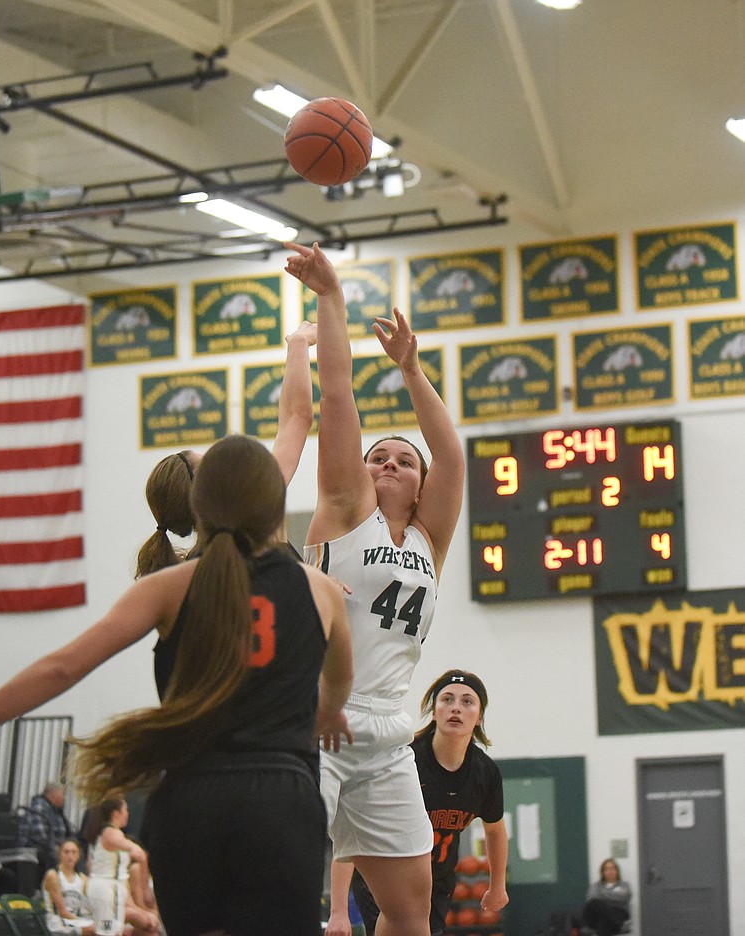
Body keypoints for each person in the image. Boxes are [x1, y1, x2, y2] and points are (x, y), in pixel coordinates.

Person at [0, 433, 354, 936]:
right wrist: (328, 713)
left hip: (191, 800)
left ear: (198, 508)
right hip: (281, 800)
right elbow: (339, 683)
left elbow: (62, 667)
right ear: (276, 508)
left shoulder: (167, 586)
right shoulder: (320, 590)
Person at [285, 242, 466, 936]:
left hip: (388, 733)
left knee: (410, 908)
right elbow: (337, 396)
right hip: (319, 721)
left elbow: (450, 453)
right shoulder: (342, 509)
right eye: (377, 457)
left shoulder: (429, 540)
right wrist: (332, 299)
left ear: (420, 486)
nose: (389, 461)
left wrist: (413, 372)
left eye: (403, 460)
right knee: (292, 892)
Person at [134, 320, 318, 578]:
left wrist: (298, 345)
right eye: (212, 461)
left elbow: (295, 418)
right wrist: (300, 344)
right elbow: (296, 418)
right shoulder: (258, 517)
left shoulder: (186, 577)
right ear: (205, 490)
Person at [351, 670, 508, 934]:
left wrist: (498, 886)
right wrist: (337, 910)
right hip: (386, 878)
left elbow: (495, 831)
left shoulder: (485, 773)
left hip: (437, 883)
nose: (456, 708)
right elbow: (355, 824)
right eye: (447, 699)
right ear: (434, 711)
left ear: (479, 717)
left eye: (467, 701)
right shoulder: (404, 759)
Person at [84, 797, 160, 936]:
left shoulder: (98, 834)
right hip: (108, 889)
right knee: (109, 933)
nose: (128, 813)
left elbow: (89, 865)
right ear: (116, 814)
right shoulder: (111, 832)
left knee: (147, 927)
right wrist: (145, 889)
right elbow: (139, 854)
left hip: (104, 888)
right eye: (126, 809)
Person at [18, 780, 77, 887]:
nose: (64, 798)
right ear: (53, 794)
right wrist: (59, 850)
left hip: (56, 848)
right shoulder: (39, 806)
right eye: (62, 794)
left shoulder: (56, 810)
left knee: (74, 854)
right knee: (62, 856)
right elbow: (40, 836)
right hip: (38, 849)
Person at [43, 838, 96, 935]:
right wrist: (85, 923)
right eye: (66, 852)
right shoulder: (53, 875)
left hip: (75, 920)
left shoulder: (82, 878)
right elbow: (62, 912)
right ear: (59, 854)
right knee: (94, 930)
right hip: (57, 921)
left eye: (74, 852)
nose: (70, 856)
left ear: (79, 855)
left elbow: (87, 907)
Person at [580, 858, 632, 936]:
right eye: (606, 869)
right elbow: (592, 898)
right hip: (598, 915)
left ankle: (617, 922)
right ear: (602, 872)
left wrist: (602, 895)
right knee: (594, 903)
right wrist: (612, 896)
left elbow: (624, 896)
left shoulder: (624, 885)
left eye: (612, 868)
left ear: (617, 871)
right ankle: (619, 924)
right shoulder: (596, 885)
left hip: (619, 912)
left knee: (605, 923)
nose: (609, 871)